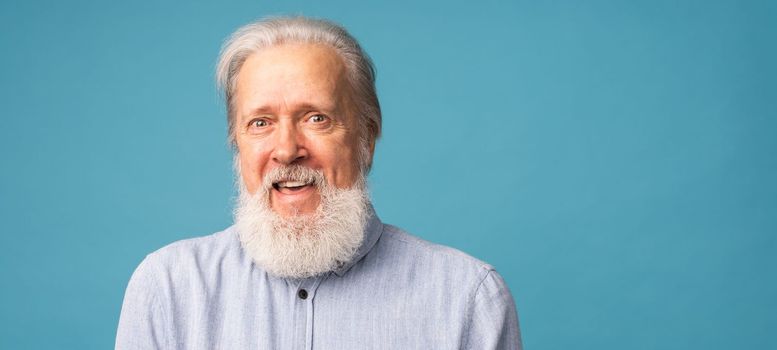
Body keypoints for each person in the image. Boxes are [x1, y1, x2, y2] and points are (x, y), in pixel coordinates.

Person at [116, 16, 522, 349]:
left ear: (367, 138)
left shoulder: (468, 299)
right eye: (261, 123)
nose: (287, 150)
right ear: (237, 145)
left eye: (317, 118)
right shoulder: (167, 289)